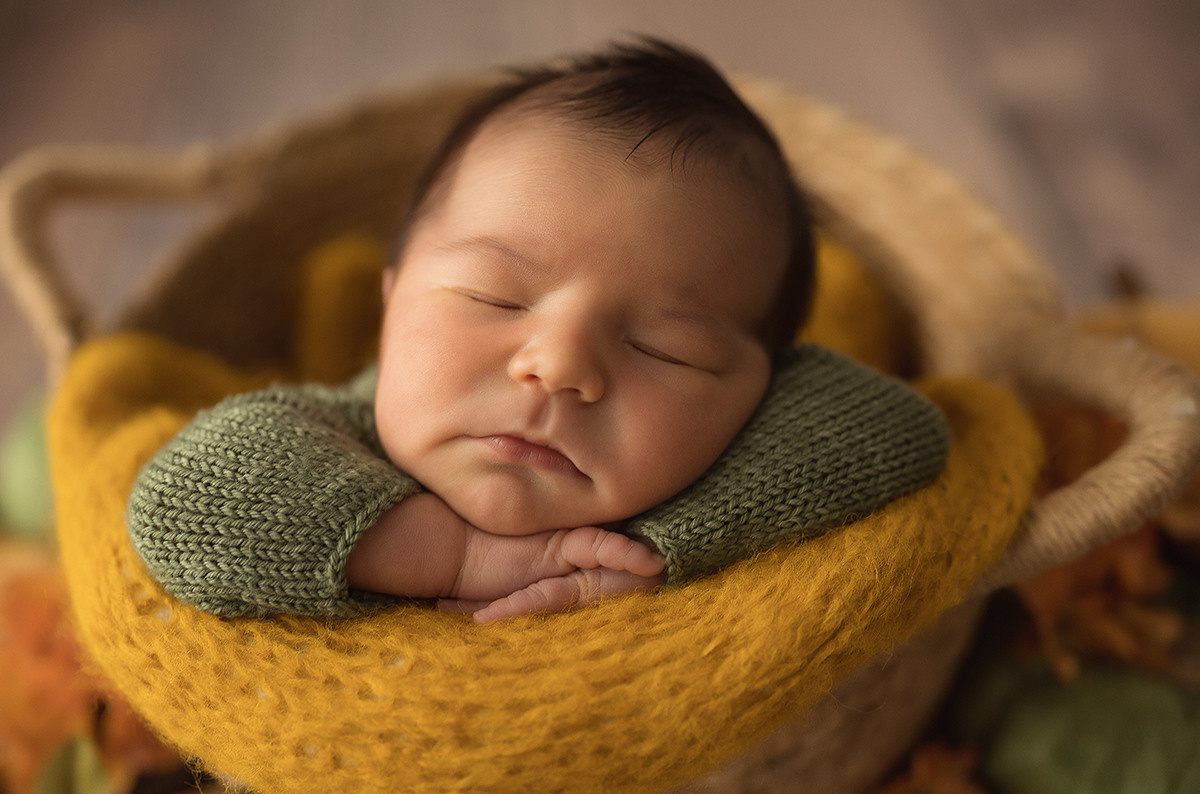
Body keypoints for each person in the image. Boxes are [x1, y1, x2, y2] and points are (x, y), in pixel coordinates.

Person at [128, 39, 950, 623]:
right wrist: (459, 559)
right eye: (494, 297)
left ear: (764, 389)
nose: (557, 366)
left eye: (669, 348)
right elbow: (181, 505)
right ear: (393, 302)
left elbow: (904, 431)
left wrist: (662, 547)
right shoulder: (335, 437)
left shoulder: (715, 469)